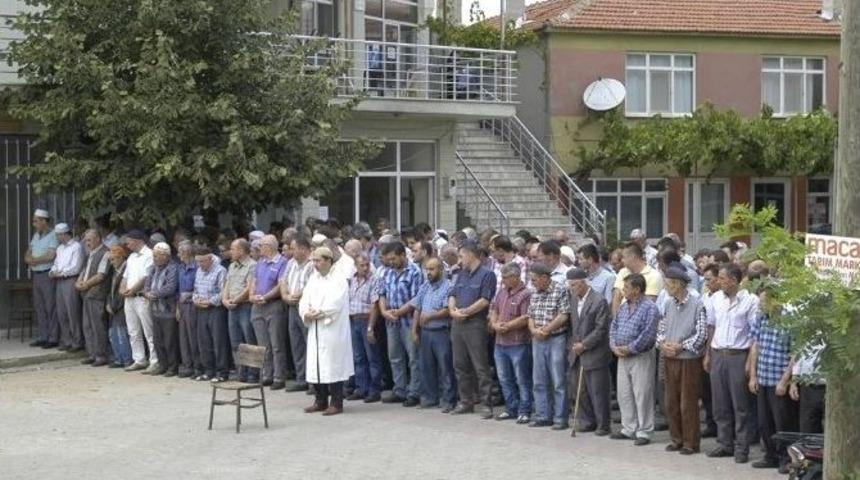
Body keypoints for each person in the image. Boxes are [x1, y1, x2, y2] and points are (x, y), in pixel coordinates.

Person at [704, 264, 760, 464]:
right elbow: (712, 326)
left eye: (722, 278)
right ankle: (724, 443)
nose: (719, 282)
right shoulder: (716, 299)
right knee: (720, 403)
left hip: (738, 355)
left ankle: (742, 447)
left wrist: (749, 362)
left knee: (740, 405)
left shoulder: (750, 300)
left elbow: (755, 334)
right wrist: (708, 354)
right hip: (718, 352)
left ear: (734, 280)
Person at [656, 265, 708, 455]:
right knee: (671, 401)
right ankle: (676, 439)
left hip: (688, 359)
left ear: (678, 284)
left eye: (668, 284)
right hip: (670, 358)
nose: (665, 287)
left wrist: (680, 346)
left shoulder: (697, 303)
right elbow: (661, 328)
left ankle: (690, 442)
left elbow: (701, 334)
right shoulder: (668, 304)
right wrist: (662, 344)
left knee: (688, 402)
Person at [299, 247, 354, 416]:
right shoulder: (313, 278)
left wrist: (320, 311)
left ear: (328, 260)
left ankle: (336, 402)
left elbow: (336, 302)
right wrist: (306, 312)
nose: (315, 264)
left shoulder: (338, 279)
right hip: (315, 327)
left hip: (332, 328)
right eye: (313, 261)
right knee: (316, 363)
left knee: (333, 363)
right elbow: (304, 299)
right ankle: (320, 400)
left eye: (318, 260)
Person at [609, 273, 661, 445]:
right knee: (624, 393)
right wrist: (614, 346)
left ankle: (644, 431)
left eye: (626, 288)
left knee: (642, 393)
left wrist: (630, 348)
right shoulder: (624, 307)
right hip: (622, 356)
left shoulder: (650, 308)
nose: (623, 291)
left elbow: (648, 334)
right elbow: (614, 326)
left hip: (640, 355)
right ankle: (628, 427)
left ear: (637, 289)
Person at [447, 242, 497, 418]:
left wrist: (465, 312)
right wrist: (453, 310)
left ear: (471, 255)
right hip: (458, 323)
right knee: (459, 364)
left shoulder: (487, 275)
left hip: (475, 323)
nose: (459, 261)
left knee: (480, 365)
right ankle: (465, 401)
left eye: (461, 256)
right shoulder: (461, 274)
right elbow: (452, 294)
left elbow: (485, 300)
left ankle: (486, 403)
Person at [749, 304, 797, 472]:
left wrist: (785, 380)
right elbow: (755, 345)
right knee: (764, 421)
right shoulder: (761, 317)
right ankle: (770, 456)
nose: (762, 306)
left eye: (765, 302)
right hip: (763, 377)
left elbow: (795, 352)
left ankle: (786, 458)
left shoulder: (789, 319)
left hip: (778, 379)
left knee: (782, 422)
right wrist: (753, 375)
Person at [566, 267, 612, 436]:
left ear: (584, 282)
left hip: (595, 352)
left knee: (598, 390)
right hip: (577, 351)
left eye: (575, 285)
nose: (572, 288)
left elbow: (601, 329)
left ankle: (603, 424)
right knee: (580, 388)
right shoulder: (573, 299)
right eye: (570, 285)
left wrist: (584, 344)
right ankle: (587, 421)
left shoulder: (598, 300)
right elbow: (572, 326)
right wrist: (573, 345)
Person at [379, 241, 424, 406]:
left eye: (394, 258)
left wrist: (399, 312)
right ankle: (399, 390)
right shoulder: (387, 273)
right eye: (389, 259)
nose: (391, 262)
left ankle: (414, 392)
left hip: (408, 320)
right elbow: (382, 293)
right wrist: (384, 311)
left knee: (413, 357)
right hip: (391, 320)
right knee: (395, 357)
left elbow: (415, 299)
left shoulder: (414, 272)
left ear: (403, 256)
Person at [527, 263, 571, 430]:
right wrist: (533, 330)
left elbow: (563, 315)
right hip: (538, 338)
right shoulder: (535, 293)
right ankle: (543, 415)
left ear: (545, 278)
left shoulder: (560, 290)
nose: (533, 283)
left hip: (556, 338)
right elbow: (530, 315)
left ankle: (560, 418)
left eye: (535, 279)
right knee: (539, 380)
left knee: (558, 380)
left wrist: (545, 329)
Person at [410, 257, 456, 412]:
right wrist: (414, 330)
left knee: (445, 367)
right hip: (426, 332)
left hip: (441, 331)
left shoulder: (449, 286)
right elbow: (417, 308)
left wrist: (431, 316)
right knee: (426, 366)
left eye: (432, 269)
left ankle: (448, 400)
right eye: (427, 269)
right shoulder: (425, 286)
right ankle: (429, 398)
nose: (428, 272)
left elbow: (447, 309)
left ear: (441, 270)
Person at [489, 263, 532, 424]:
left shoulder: (526, 294)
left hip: (518, 343)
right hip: (500, 343)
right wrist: (494, 324)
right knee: (504, 378)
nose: (503, 281)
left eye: (506, 278)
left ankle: (525, 409)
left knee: (521, 378)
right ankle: (511, 407)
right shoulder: (501, 292)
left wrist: (507, 326)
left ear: (515, 277)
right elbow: (495, 310)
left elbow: (526, 317)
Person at [250, 235, 289, 389]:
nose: (260, 248)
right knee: (263, 345)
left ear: (271, 246)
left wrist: (265, 297)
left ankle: (279, 377)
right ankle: (267, 374)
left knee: (276, 344)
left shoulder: (282, 262)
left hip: (274, 305)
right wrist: (252, 295)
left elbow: (281, 285)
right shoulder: (260, 262)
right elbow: (254, 281)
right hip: (257, 306)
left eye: (262, 245)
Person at [346, 252, 383, 403]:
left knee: (372, 357)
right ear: (356, 266)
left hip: (366, 319)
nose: (365, 268)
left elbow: (375, 305)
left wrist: (370, 327)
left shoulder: (374, 280)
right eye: (362, 265)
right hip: (353, 320)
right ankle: (361, 388)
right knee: (358, 357)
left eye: (367, 264)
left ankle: (374, 389)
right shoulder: (352, 280)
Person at [281, 235, 314, 391]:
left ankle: (313, 381)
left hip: (306, 306)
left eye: (293, 248)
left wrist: (297, 295)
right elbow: (283, 281)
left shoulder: (313, 264)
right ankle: (301, 378)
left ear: (302, 249)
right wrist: (286, 296)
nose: (290, 252)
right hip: (292, 307)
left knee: (310, 343)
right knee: (297, 344)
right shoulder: (290, 263)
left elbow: (311, 284)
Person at [120, 230, 156, 372]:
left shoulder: (149, 255)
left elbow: (146, 277)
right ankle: (139, 359)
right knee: (133, 331)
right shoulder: (131, 257)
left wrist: (132, 290)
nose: (127, 245)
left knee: (149, 331)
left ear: (138, 240)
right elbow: (125, 277)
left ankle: (155, 360)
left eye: (129, 241)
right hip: (129, 298)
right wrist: (123, 289)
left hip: (141, 297)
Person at [192, 245, 229, 382]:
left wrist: (209, 301)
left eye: (202, 261)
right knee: (204, 341)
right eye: (197, 261)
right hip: (201, 309)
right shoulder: (198, 271)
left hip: (215, 309)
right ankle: (208, 370)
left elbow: (223, 291)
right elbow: (195, 289)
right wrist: (196, 300)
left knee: (218, 341)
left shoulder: (221, 271)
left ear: (210, 259)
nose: (199, 264)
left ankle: (222, 372)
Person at [223, 238, 257, 383]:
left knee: (248, 340)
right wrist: (225, 299)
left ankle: (253, 372)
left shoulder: (252, 265)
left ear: (241, 250)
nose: (231, 251)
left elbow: (249, 287)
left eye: (233, 249)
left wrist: (235, 300)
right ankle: (240, 371)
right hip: (231, 307)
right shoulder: (232, 266)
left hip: (245, 306)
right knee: (235, 341)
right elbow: (227, 284)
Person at [76, 229, 111, 366]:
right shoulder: (90, 253)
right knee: (87, 326)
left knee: (98, 326)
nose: (87, 243)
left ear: (97, 239)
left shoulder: (105, 253)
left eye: (89, 240)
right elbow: (84, 270)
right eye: (86, 240)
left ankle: (101, 356)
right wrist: (78, 281)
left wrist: (85, 284)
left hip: (97, 294)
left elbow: (101, 275)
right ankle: (92, 354)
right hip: (87, 294)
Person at [144, 242, 179, 376]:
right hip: (155, 309)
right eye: (154, 255)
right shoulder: (153, 268)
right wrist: (147, 293)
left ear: (166, 256)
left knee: (170, 340)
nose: (155, 258)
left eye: (157, 256)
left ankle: (172, 367)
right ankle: (162, 365)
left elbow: (170, 287)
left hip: (168, 310)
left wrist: (154, 294)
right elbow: (147, 284)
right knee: (158, 340)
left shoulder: (173, 268)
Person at [26, 209, 59, 349]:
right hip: (36, 275)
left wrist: (34, 260)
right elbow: (28, 253)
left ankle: (53, 338)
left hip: (47, 274)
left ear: (44, 221)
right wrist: (29, 259)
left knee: (50, 306)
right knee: (39, 307)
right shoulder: (35, 236)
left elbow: (51, 256)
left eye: (36, 221)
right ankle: (43, 336)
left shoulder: (53, 236)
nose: (34, 224)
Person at [50, 222, 84, 352]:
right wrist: (53, 271)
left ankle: (77, 341)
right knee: (62, 312)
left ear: (64, 234)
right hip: (59, 280)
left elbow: (76, 267)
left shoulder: (76, 247)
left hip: (70, 280)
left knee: (72, 311)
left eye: (58, 235)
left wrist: (62, 272)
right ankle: (66, 340)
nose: (57, 238)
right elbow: (56, 263)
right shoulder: (60, 248)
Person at [612, 242, 663, 315]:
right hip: (621, 320)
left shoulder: (654, 276)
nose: (622, 261)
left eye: (623, 257)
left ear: (633, 257)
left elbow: (647, 305)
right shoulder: (623, 272)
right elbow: (616, 297)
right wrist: (616, 320)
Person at [106, 245, 133, 368]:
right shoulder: (114, 270)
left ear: (121, 257)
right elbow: (110, 290)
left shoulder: (127, 268)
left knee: (122, 333)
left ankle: (127, 359)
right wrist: (108, 304)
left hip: (121, 306)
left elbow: (123, 291)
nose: (112, 263)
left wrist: (114, 306)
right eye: (110, 260)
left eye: (114, 259)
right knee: (113, 334)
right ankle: (118, 358)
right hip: (113, 305)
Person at [176, 242, 200, 378]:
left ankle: (197, 366)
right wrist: (177, 308)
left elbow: (199, 286)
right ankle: (187, 365)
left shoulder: (196, 267)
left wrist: (190, 294)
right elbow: (178, 290)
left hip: (192, 304)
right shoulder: (181, 267)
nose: (179, 255)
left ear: (188, 253)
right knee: (183, 337)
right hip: (182, 304)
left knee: (193, 337)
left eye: (181, 252)